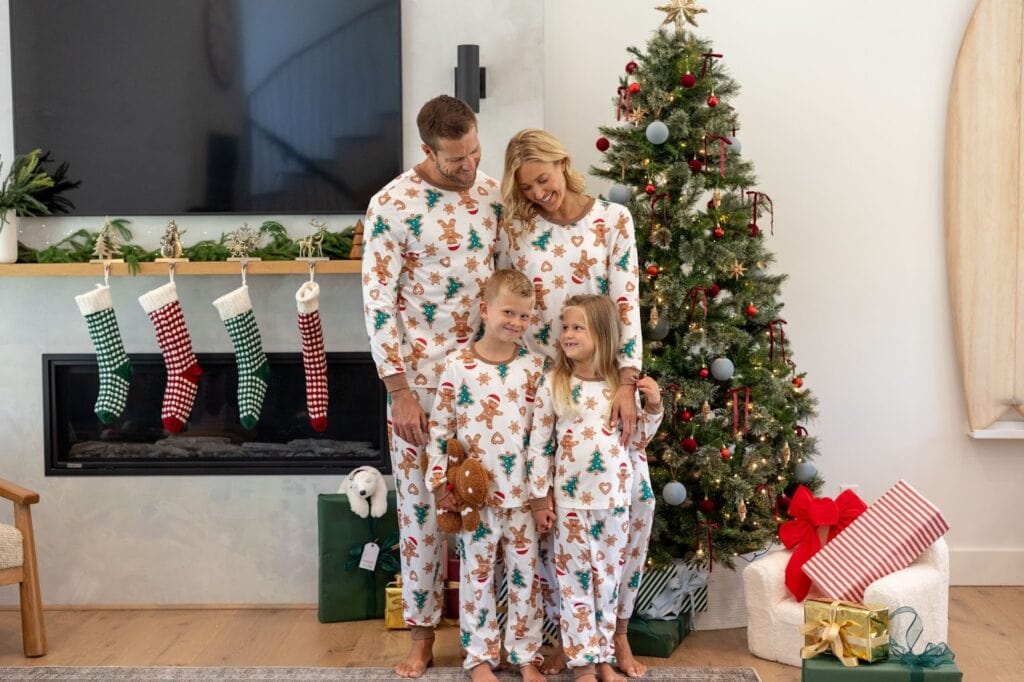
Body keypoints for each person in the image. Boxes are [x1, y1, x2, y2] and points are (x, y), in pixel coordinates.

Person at [497, 129, 653, 677]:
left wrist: (628, 383)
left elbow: (627, 302)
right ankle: (571, 639)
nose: (538, 193)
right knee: (554, 527)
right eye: (527, 188)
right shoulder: (517, 229)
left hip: (604, 383)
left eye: (543, 179)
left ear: (562, 163)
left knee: (632, 512)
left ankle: (616, 635)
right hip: (543, 387)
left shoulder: (613, 220)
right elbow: (505, 300)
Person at [361, 94, 502, 679]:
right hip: (418, 387)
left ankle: (485, 641)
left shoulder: (492, 194)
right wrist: (398, 391)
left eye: (474, 152)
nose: (468, 167)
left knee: (487, 512)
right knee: (421, 513)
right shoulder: (391, 205)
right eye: (455, 159)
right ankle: (421, 638)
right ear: (427, 150)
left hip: (487, 383)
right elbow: (377, 303)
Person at [527, 295, 662, 682]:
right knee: (575, 588)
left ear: (602, 335)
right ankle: (583, 666)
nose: (567, 334)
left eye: (577, 327)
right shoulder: (555, 383)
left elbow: (638, 442)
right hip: (570, 504)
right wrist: (539, 498)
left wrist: (653, 405)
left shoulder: (619, 389)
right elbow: (539, 446)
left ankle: (603, 659)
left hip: (614, 504)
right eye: (565, 327)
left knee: (606, 585)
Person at [425, 269, 548, 682]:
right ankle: (479, 658)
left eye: (524, 316)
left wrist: (541, 493)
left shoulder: (535, 367)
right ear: (485, 309)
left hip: (522, 498)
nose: (516, 322)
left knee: (526, 579)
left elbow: (542, 436)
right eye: (508, 312)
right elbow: (440, 431)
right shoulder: (457, 366)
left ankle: (526, 654)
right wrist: (440, 484)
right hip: (474, 500)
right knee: (476, 579)